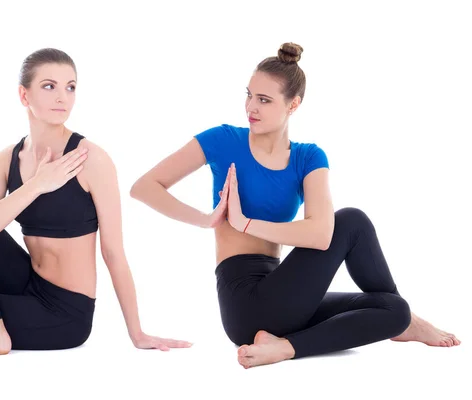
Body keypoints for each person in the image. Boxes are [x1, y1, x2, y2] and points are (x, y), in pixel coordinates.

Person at [129, 42, 460, 369]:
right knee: (352, 221)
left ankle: (290, 345)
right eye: (249, 95)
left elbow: (319, 234)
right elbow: (143, 187)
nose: (251, 107)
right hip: (244, 303)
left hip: (283, 293)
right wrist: (207, 219)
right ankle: (388, 328)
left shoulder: (307, 157)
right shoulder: (222, 140)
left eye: (264, 100)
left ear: (293, 104)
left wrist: (246, 222)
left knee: (393, 309)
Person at [0, 48, 191, 360]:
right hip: (26, 282)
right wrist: (37, 185)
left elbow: (113, 253)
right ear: (24, 96)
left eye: (70, 87)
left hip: (64, 313)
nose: (62, 97)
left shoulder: (89, 159)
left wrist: (138, 334)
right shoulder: (7, 159)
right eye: (49, 86)